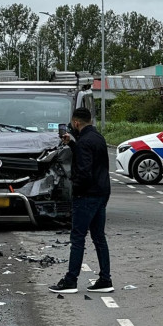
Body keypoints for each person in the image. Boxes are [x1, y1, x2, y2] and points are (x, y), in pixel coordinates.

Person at [49, 107, 113, 294]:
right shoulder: (98, 138)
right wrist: (72, 145)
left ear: (76, 123)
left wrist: (74, 189)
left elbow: (84, 171)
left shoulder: (85, 142)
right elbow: (93, 161)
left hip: (86, 196)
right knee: (99, 237)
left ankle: (70, 281)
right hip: (101, 193)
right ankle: (105, 279)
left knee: (77, 238)